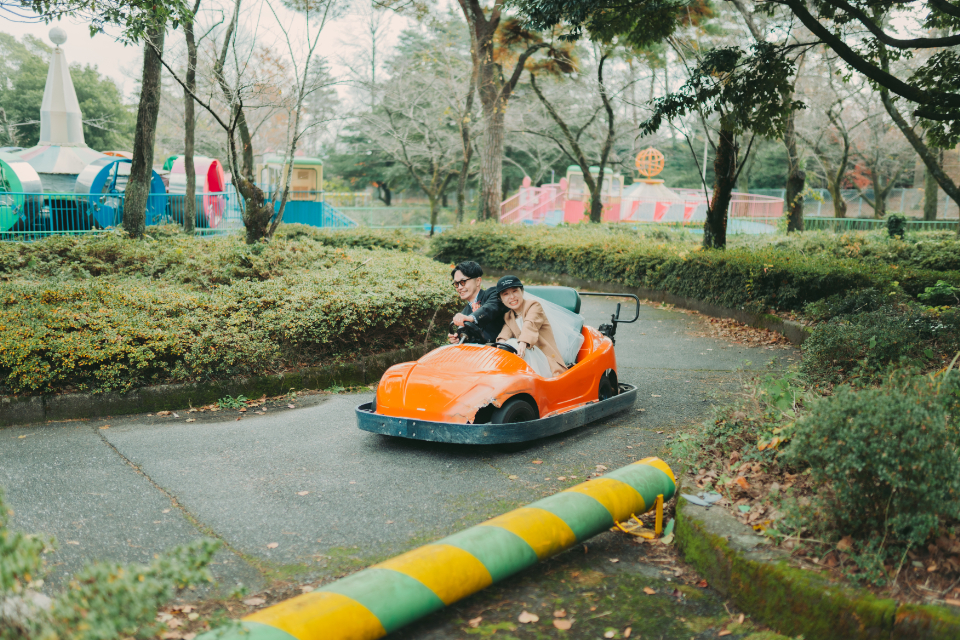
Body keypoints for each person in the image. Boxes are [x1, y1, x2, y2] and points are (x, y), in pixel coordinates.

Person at [495, 275, 570, 377]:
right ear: (501, 299)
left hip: (546, 359)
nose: (512, 297)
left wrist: (522, 343)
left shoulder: (533, 305)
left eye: (515, 291)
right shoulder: (509, 316)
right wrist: (499, 346)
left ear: (522, 291)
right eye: (506, 294)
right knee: (507, 346)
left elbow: (530, 324)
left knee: (514, 344)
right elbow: (504, 335)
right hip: (526, 357)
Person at [448, 261, 507, 344]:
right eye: (456, 284)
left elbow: (491, 308)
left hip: (502, 350)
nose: (459, 287)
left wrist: (471, 318)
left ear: (478, 281)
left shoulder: (493, 294)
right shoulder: (464, 312)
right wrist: (458, 340)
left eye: (463, 282)